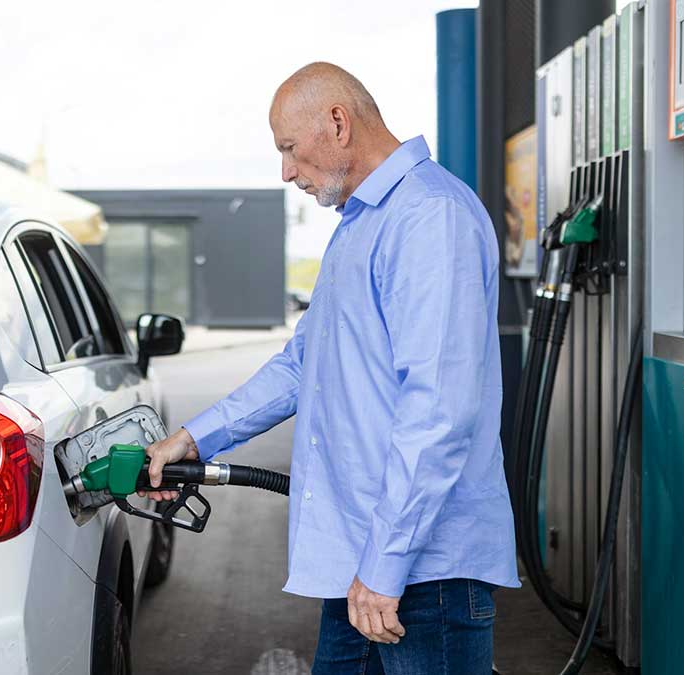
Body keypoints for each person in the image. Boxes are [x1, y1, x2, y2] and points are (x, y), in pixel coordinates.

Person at [141, 61, 519, 674]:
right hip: (364, 564)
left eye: (289, 148)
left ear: (338, 123)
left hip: (419, 575)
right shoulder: (363, 222)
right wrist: (194, 438)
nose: (285, 170)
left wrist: (384, 567)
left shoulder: (429, 217)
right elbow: (301, 365)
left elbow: (439, 413)